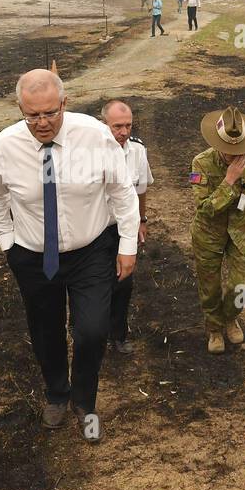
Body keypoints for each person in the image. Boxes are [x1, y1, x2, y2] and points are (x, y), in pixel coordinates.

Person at [0, 70, 140, 442]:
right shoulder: (4, 146)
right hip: (34, 255)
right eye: (32, 115)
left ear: (64, 104)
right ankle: (56, 392)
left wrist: (127, 245)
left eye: (50, 113)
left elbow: (121, 191)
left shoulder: (96, 136)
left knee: (92, 330)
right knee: (45, 329)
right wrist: (9, 243)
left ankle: (85, 401)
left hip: (92, 251)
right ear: (20, 109)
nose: (42, 123)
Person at [189, 106, 245, 355]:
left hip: (241, 234)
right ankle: (214, 328)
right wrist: (229, 180)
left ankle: (230, 316)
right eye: (227, 150)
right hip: (208, 234)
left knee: (242, 289)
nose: (233, 155)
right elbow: (204, 209)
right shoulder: (200, 163)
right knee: (210, 288)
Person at [101, 99, 154, 355]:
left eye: (128, 126)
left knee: (124, 283)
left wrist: (142, 221)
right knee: (96, 284)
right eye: (117, 126)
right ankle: (84, 331)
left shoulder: (137, 152)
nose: (123, 132)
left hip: (124, 227)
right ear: (104, 125)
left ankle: (118, 336)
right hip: (96, 229)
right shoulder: (91, 152)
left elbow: (141, 190)